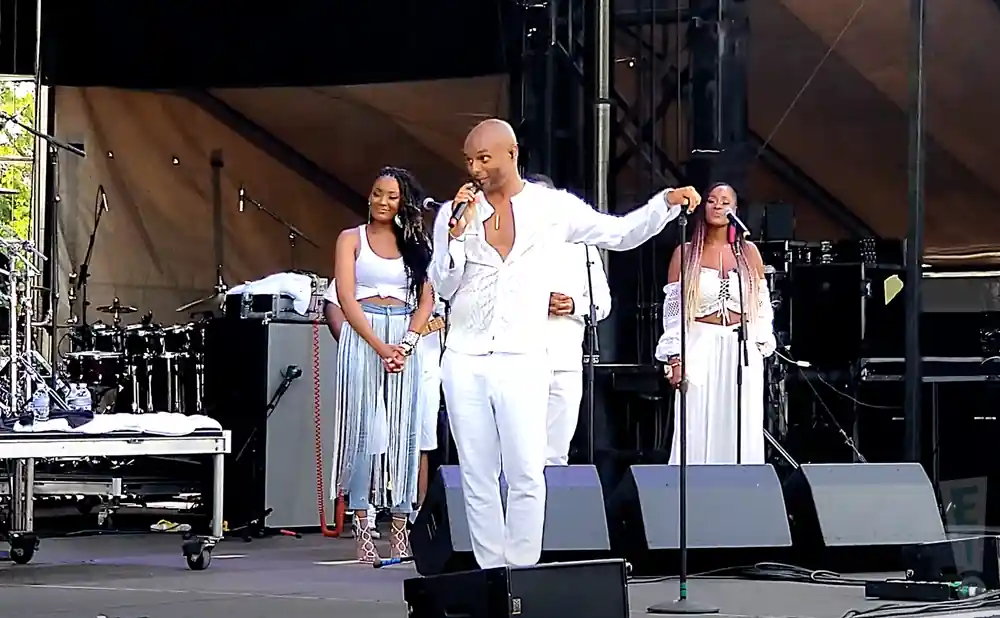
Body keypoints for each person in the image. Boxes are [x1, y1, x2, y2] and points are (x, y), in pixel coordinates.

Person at [428, 118, 701, 569]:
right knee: (476, 473)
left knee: (526, 471)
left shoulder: (551, 208)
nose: (474, 168)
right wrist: (453, 239)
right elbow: (443, 282)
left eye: (483, 158)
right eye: (468, 160)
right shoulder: (455, 214)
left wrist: (664, 204)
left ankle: (520, 568)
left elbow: (619, 233)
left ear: (511, 154)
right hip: (464, 356)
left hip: (523, 356)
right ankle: (491, 573)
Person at [331, 166, 434, 563]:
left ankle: (400, 527)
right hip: (365, 333)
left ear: (403, 201)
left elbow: (427, 297)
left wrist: (405, 344)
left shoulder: (416, 242)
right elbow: (344, 295)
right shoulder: (350, 239)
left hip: (404, 335)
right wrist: (378, 346)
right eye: (377, 193)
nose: (382, 202)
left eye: (391, 196)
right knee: (362, 429)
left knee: (403, 432)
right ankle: (362, 527)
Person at [654, 182, 776, 465]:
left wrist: (759, 343)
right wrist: (675, 358)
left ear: (735, 210)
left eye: (725, 201)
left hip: (740, 347)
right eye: (711, 200)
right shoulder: (685, 252)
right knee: (696, 421)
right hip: (699, 345)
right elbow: (672, 314)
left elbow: (762, 305)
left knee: (740, 424)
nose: (718, 205)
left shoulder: (749, 253)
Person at [525, 173, 612, 466]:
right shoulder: (509, 245)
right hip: (521, 357)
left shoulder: (582, 247)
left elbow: (603, 302)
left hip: (567, 357)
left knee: (557, 448)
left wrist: (574, 304)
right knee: (520, 446)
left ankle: (553, 510)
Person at [322, 281, 380, 540]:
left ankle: (404, 513)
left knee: (402, 440)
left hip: (404, 359)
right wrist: (349, 344)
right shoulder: (357, 255)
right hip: (363, 355)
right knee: (364, 434)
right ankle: (362, 513)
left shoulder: (416, 259)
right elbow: (333, 303)